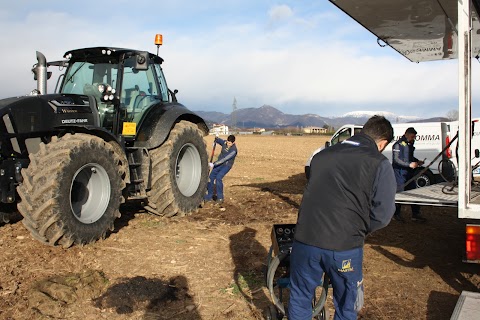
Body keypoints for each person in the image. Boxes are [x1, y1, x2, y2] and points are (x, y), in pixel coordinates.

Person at [288, 115, 397, 320]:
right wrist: (360, 229)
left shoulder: (321, 156)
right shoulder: (379, 163)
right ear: (382, 143)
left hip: (306, 239)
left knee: (300, 297)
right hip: (344, 246)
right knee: (347, 305)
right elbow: (383, 214)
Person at [392, 127, 427, 223]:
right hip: (399, 174)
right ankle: (396, 214)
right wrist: (409, 164)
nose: (413, 139)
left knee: (413, 193)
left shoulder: (409, 145)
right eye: (412, 136)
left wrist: (417, 161)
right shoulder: (398, 145)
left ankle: (415, 214)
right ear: (407, 134)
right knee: (399, 194)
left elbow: (409, 157)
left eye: (414, 137)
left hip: (409, 173)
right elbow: (396, 160)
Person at [204, 135, 237, 204]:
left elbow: (225, 159)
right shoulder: (225, 143)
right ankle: (209, 196)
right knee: (211, 177)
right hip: (219, 164)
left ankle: (220, 198)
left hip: (226, 165)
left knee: (218, 178)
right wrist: (216, 139)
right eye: (228, 142)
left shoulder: (234, 151)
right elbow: (220, 141)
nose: (228, 144)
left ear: (233, 143)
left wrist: (214, 164)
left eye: (230, 143)